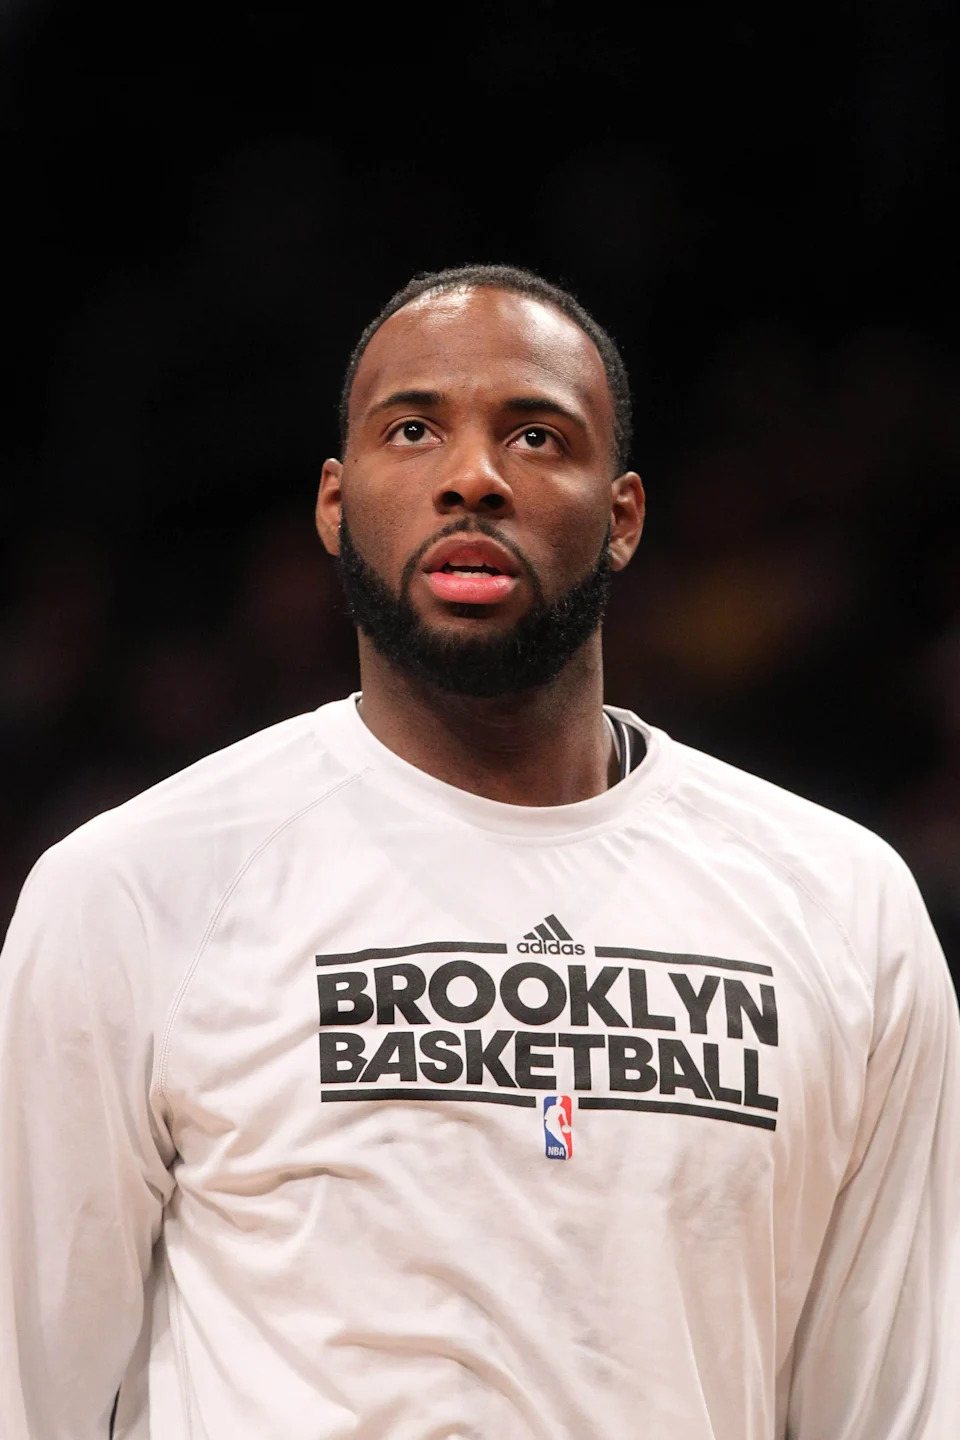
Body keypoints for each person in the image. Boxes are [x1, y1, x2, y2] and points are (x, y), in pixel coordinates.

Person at [0, 263, 957, 1439]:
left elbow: (890, 1402)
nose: (473, 478)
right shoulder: (132, 889)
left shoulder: (844, 906)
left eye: (537, 435)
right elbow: (29, 1389)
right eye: (414, 429)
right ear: (335, 505)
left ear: (624, 517)